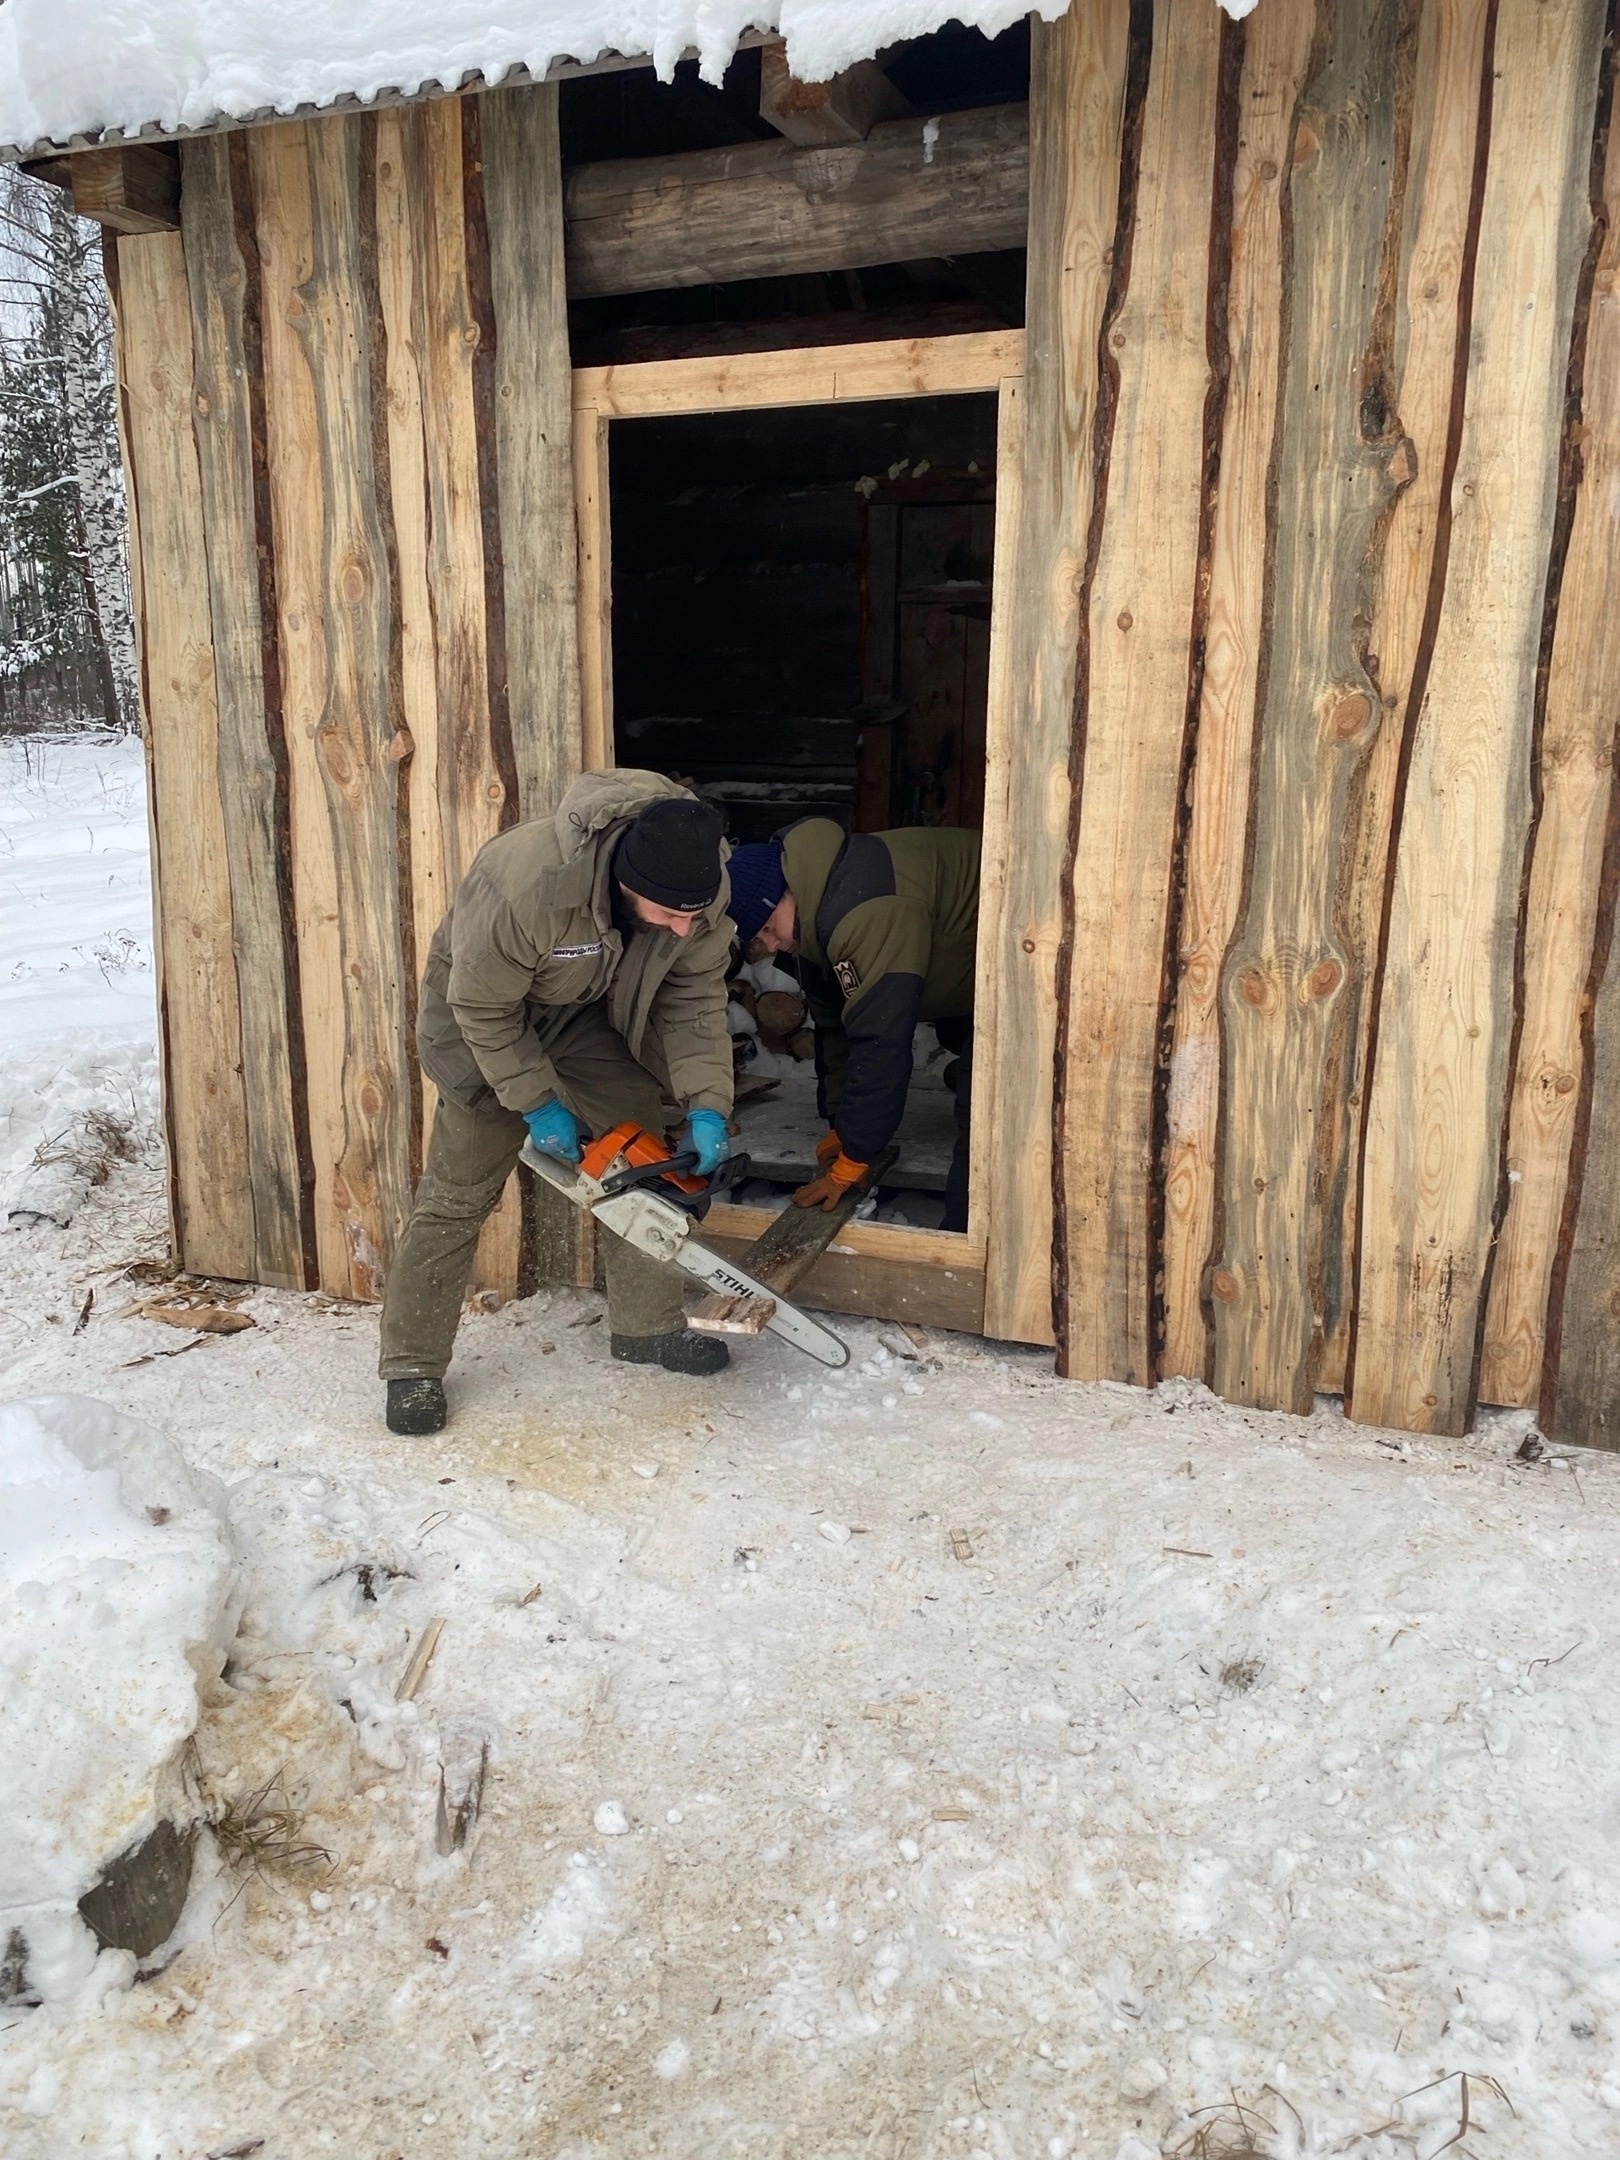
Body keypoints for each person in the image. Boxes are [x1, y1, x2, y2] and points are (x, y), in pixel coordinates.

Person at [379, 772, 736, 1437]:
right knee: (459, 1192)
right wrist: (537, 1104)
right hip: (479, 1026)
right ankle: (412, 1366)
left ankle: (646, 1328)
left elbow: (695, 1002)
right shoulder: (527, 882)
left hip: (577, 1016)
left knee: (640, 1139)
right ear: (628, 886)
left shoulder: (701, 877)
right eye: (671, 916)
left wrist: (708, 1100)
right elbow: (482, 1007)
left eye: (696, 915)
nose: (686, 930)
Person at [727, 819, 979, 1233]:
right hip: (963, 963)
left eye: (770, 927)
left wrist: (856, 1157)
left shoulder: (864, 913)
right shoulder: (814, 918)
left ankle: (961, 1248)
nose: (770, 945)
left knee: (985, 1102)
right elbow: (835, 1030)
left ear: (789, 893)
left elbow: (881, 1042)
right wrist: (840, 1126)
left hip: (1030, 953)